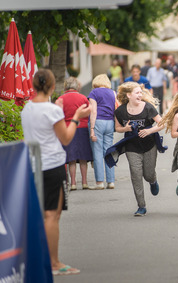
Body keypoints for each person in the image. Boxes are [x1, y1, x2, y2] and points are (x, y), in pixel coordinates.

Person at [21, 69, 91, 275]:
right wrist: (77, 117)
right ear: (53, 87)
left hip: (33, 165)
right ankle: (54, 263)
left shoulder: (27, 109)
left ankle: (42, 259)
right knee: (52, 215)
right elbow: (67, 138)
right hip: (51, 164)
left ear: (33, 86)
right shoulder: (52, 111)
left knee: (42, 215)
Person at [114, 82, 164, 216]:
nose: (140, 95)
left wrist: (149, 131)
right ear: (129, 95)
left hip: (149, 145)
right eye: (137, 93)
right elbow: (117, 128)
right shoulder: (120, 111)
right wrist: (125, 129)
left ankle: (153, 180)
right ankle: (141, 206)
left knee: (148, 174)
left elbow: (162, 123)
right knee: (136, 175)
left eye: (141, 92)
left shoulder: (148, 107)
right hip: (132, 147)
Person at [56, 77, 93, 190]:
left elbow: (58, 115)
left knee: (71, 158)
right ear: (77, 86)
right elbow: (89, 112)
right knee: (82, 158)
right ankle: (85, 182)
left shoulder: (60, 99)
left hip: (67, 129)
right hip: (82, 128)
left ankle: (72, 183)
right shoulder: (83, 98)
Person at [88, 74, 116, 189]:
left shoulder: (94, 93)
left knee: (98, 152)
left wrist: (92, 129)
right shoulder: (113, 93)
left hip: (98, 122)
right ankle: (111, 181)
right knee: (108, 152)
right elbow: (115, 109)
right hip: (110, 123)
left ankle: (99, 182)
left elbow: (93, 111)